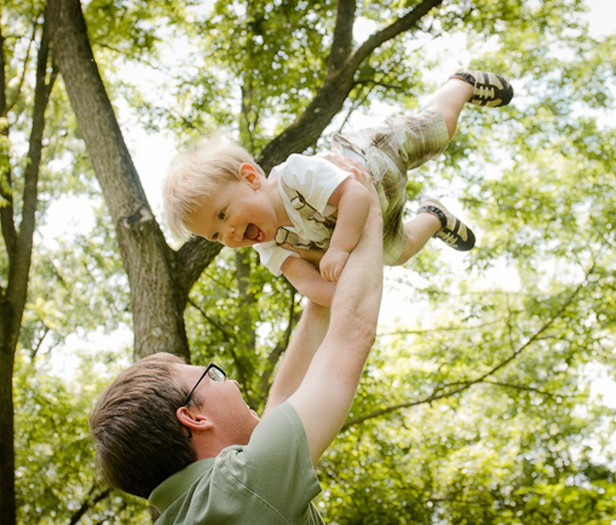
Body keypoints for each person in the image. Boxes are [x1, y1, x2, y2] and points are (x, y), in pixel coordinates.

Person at [89, 167, 384, 523]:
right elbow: (351, 334)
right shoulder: (241, 487)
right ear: (192, 416)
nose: (232, 383)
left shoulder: (205, 506)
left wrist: (316, 281)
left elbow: (284, 400)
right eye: (212, 376)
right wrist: (368, 205)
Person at [162, 70, 513, 306]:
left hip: (374, 160)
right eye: (216, 235)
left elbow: (355, 195)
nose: (230, 232)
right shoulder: (271, 246)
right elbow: (309, 285)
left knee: (437, 132)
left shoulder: (293, 177)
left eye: (223, 214)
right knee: (396, 254)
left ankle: (461, 84)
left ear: (252, 179)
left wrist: (339, 250)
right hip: (376, 217)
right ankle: (434, 217)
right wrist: (341, 297)